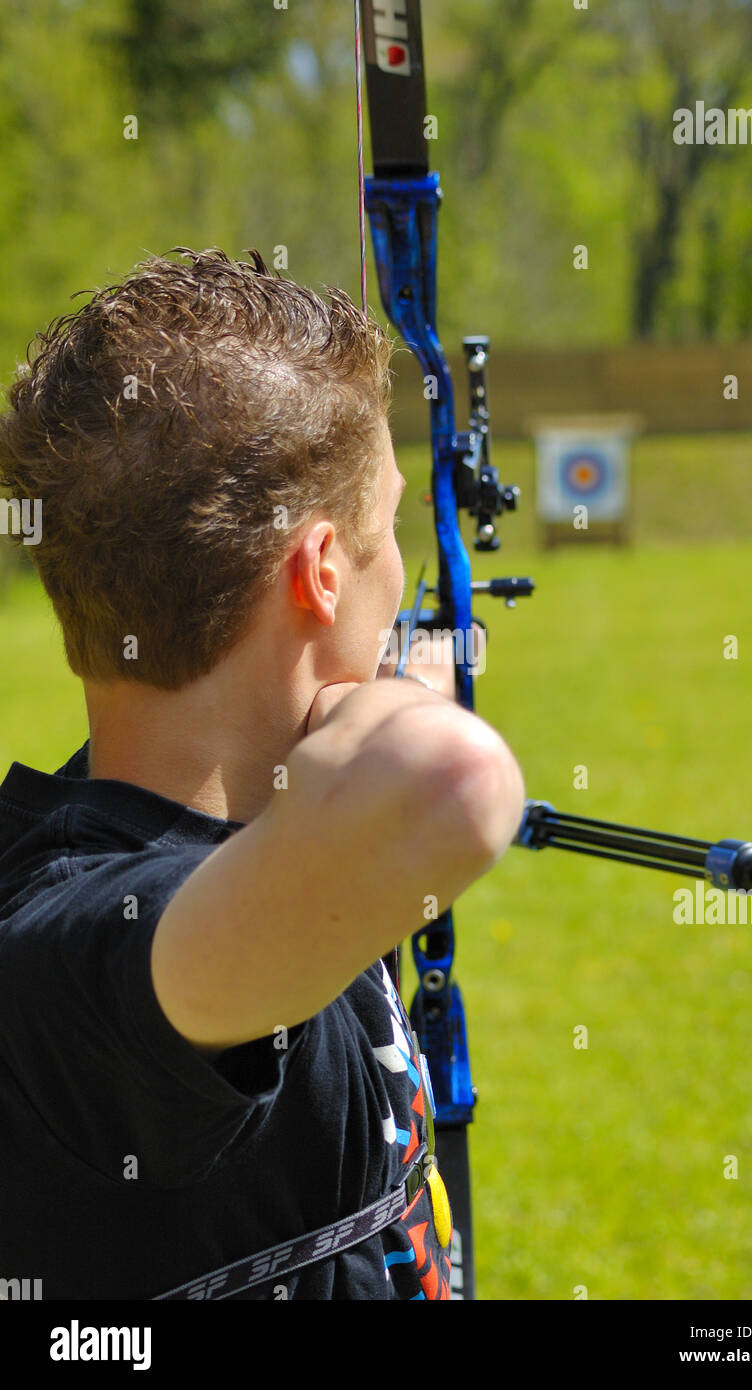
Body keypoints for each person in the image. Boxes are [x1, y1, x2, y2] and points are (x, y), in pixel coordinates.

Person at [0, 248, 525, 1301]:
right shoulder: (69, 962)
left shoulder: (273, 831)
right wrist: (384, 708)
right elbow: (451, 785)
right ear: (322, 571)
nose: (401, 585)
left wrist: (370, 682)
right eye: (386, 536)